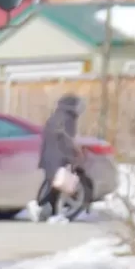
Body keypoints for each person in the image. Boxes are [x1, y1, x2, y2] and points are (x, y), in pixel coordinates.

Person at [33, 90, 90, 219]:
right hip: (60, 158)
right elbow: (67, 139)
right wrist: (75, 154)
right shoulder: (69, 119)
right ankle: (41, 207)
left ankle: (48, 211)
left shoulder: (55, 116)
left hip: (48, 158)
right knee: (58, 186)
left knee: (52, 185)